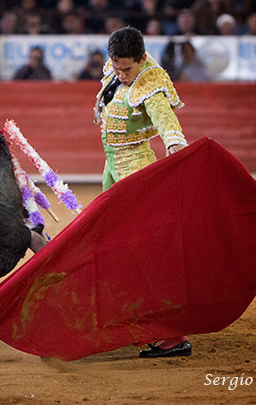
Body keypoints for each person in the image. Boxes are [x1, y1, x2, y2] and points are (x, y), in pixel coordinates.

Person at [93, 26, 190, 358]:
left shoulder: (150, 81)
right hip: (112, 169)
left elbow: (165, 118)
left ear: (142, 58)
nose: (121, 75)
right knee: (110, 246)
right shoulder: (115, 71)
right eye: (116, 67)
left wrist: (174, 143)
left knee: (143, 250)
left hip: (136, 169)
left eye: (127, 69)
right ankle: (128, 317)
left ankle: (173, 334)